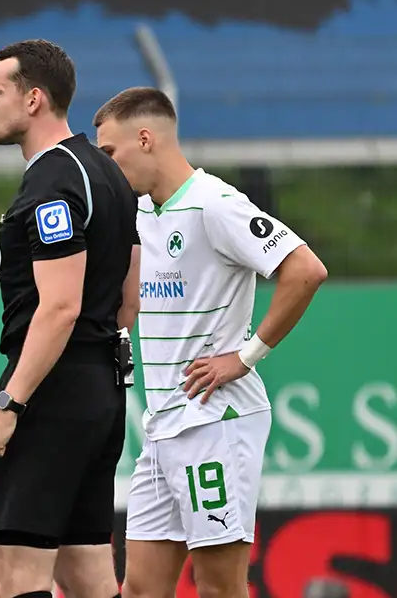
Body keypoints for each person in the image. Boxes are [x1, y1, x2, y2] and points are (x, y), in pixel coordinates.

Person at [93, 87, 328, 598]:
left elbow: (305, 270)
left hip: (213, 424)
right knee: (139, 590)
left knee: (219, 587)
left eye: (110, 152)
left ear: (146, 137)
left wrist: (244, 358)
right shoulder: (139, 214)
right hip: (162, 430)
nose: (106, 166)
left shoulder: (214, 204)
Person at [0, 39, 140, 598]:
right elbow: (127, 295)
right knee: (87, 570)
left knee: (17, 575)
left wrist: (11, 405)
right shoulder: (107, 172)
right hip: (100, 388)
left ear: (35, 98)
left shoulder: (52, 180)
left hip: (51, 388)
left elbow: (60, 306)